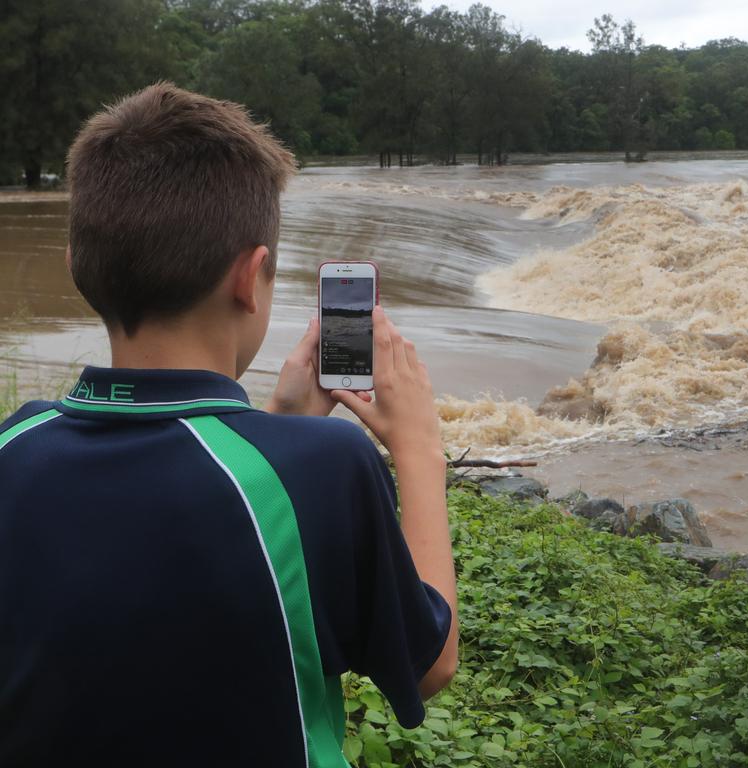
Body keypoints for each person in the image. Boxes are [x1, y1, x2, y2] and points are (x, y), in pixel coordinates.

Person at [0, 83, 458, 768]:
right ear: (253, 277)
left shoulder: (14, 446)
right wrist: (419, 448)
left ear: (76, 270)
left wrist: (274, 426)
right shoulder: (326, 464)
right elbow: (429, 664)